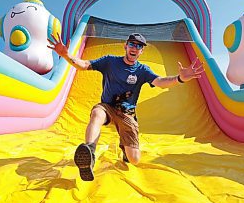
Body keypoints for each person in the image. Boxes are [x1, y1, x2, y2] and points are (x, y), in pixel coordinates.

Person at [48, 32, 204, 181]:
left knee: (134, 159)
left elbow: (161, 82)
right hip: (107, 107)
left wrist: (179, 78)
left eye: (138, 46)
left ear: (141, 51)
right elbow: (84, 65)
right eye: (132, 44)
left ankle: (125, 148)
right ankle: (90, 152)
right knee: (97, 113)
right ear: (125, 46)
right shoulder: (110, 61)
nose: (134, 48)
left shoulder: (142, 71)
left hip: (127, 114)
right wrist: (66, 55)